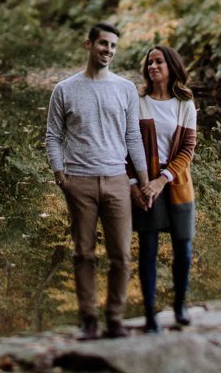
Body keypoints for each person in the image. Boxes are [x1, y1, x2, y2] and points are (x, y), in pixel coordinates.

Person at [44, 21, 148, 339]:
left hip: (118, 180)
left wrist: (142, 182)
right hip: (80, 182)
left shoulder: (125, 88)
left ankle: (115, 318)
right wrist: (61, 175)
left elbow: (133, 137)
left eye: (114, 46)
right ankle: (89, 319)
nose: (109, 51)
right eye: (104, 44)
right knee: (83, 254)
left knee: (121, 255)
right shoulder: (64, 89)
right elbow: (53, 136)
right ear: (89, 45)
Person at [133, 44, 199, 333]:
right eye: (149, 62)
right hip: (146, 186)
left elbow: (188, 148)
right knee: (148, 248)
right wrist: (139, 183)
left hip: (177, 184)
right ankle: (149, 314)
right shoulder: (138, 101)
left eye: (159, 61)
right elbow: (128, 145)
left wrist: (164, 178)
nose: (153, 66)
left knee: (183, 249)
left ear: (171, 66)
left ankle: (180, 305)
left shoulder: (185, 103)